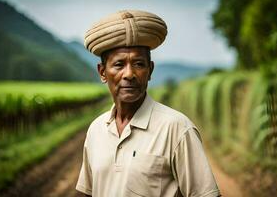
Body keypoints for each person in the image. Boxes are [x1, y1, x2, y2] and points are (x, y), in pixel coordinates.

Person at [76, 10, 220, 197]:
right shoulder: (96, 130)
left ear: (150, 70)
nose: (129, 74)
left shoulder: (177, 128)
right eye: (119, 65)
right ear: (103, 72)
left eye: (139, 64)